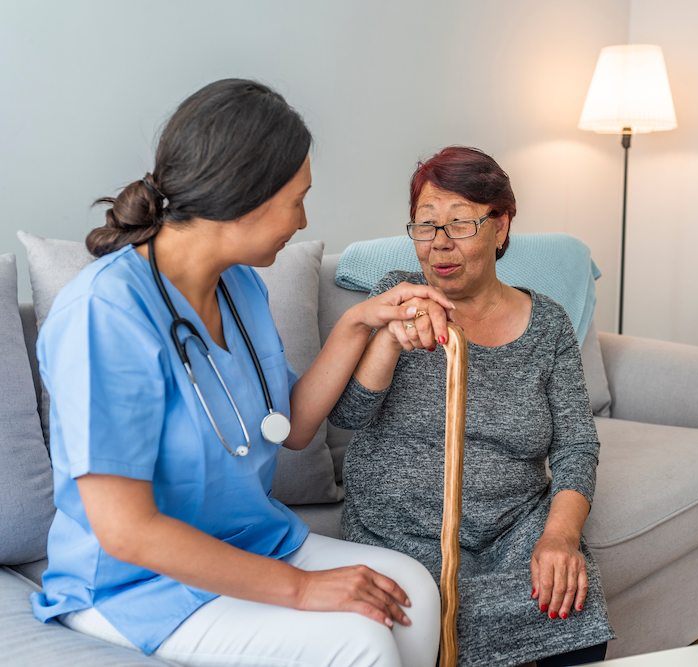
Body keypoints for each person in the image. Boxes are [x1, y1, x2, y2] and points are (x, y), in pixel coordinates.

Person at [31, 79, 453, 667]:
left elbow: (292, 428)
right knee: (358, 638)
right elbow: (126, 532)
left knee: (410, 587)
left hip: (252, 539)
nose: (303, 220)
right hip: (135, 582)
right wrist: (304, 590)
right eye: (297, 199)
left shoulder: (240, 285)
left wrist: (361, 321)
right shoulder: (104, 313)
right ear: (244, 197)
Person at [329, 146, 615, 667]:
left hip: (510, 526)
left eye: (461, 224)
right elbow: (347, 417)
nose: (440, 245)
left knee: (569, 592)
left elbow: (576, 444)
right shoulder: (398, 295)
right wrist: (388, 341)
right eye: (425, 225)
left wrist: (558, 536)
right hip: (398, 534)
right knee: (428, 608)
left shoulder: (547, 326)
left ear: (501, 227)